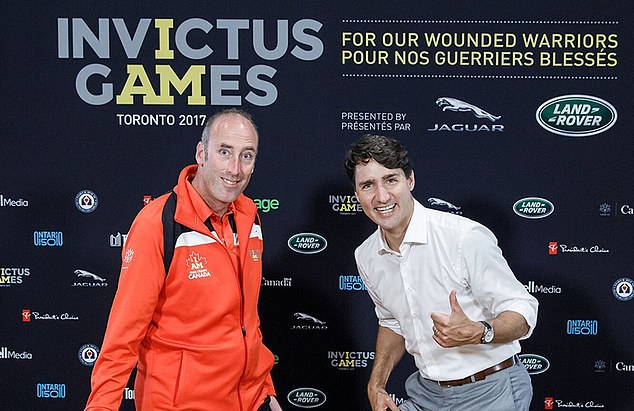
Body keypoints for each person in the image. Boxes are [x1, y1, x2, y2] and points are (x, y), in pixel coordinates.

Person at [85, 109, 282, 411]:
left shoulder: (248, 215)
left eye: (247, 156)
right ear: (202, 154)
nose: (235, 169)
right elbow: (121, 339)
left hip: (250, 399)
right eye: (224, 152)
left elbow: (247, 322)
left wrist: (265, 391)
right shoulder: (158, 224)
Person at [344, 134, 539, 411]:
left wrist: (479, 332)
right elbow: (391, 321)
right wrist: (376, 384)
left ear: (410, 180)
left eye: (391, 180)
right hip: (427, 393)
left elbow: (522, 312)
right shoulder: (366, 255)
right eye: (368, 185)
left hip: (490, 391)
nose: (382, 196)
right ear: (356, 194)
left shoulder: (463, 237)